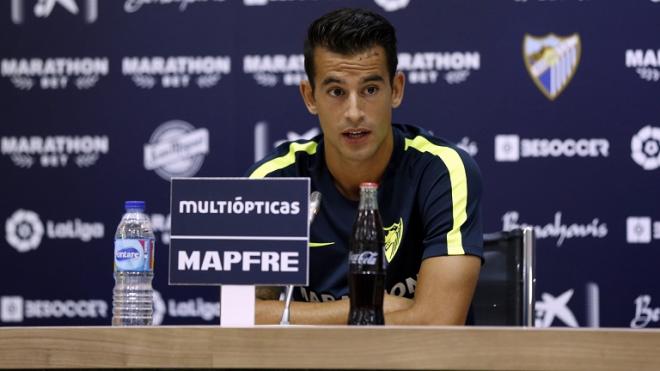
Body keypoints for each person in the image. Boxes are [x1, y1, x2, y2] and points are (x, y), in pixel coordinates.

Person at [246, 8, 482, 325]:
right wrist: (367, 307)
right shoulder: (273, 181)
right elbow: (243, 316)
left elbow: (437, 323)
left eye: (370, 90)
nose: (354, 112)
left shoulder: (441, 170)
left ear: (396, 89)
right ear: (309, 96)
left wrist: (296, 318)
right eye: (336, 92)